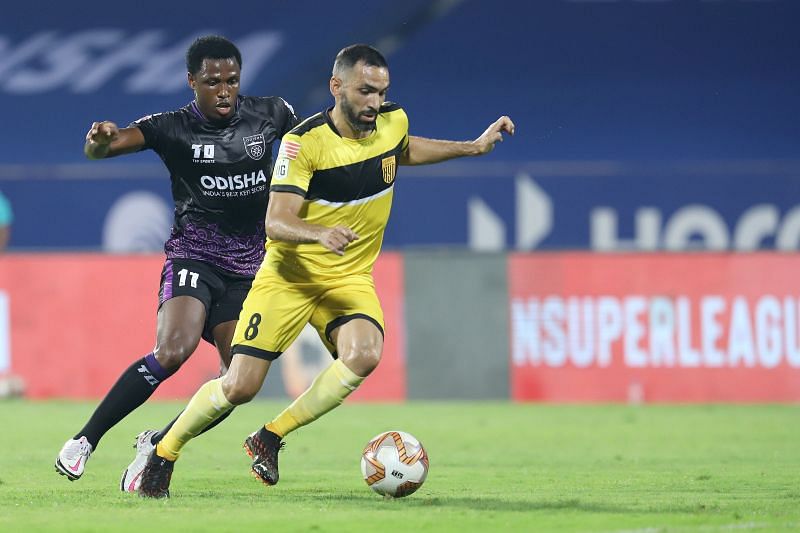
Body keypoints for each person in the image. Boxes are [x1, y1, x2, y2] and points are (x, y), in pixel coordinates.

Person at [138, 43, 514, 498]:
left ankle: (271, 436)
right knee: (239, 385)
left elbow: (404, 149)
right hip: (289, 278)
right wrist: (319, 234)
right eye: (364, 91)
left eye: (381, 92)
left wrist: (472, 147)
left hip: (348, 277)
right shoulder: (304, 142)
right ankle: (164, 451)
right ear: (337, 87)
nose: (374, 102)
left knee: (364, 353)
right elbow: (275, 219)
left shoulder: (393, 121)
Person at [54, 35, 299, 491]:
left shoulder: (273, 114)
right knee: (173, 350)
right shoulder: (171, 127)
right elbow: (107, 147)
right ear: (192, 82)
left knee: (238, 383)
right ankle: (85, 440)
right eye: (212, 82)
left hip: (248, 271)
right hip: (194, 256)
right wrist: (98, 143)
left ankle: (159, 443)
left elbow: (312, 150)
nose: (223, 90)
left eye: (231, 81)